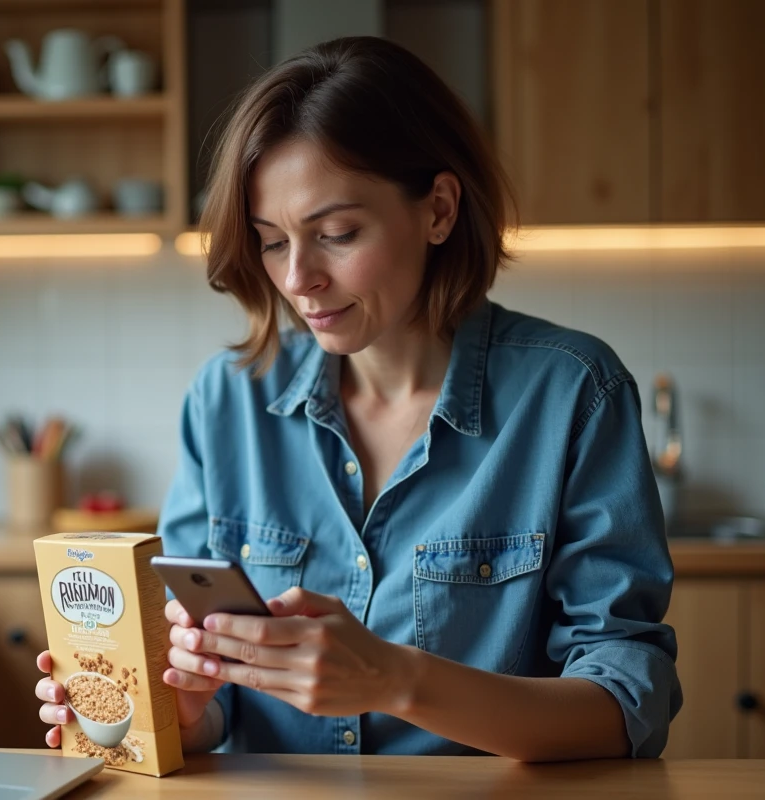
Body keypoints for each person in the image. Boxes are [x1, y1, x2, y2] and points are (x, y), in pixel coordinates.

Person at [37, 36, 681, 762]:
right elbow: (214, 706)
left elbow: (627, 707)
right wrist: (182, 713)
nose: (298, 278)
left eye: (337, 233)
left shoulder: (574, 394)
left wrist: (395, 678)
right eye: (272, 242)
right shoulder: (228, 401)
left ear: (438, 210)